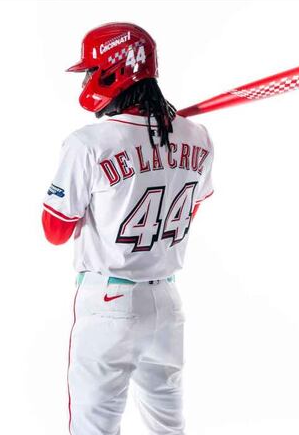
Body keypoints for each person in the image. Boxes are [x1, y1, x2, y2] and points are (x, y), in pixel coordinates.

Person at [42, 23, 214, 435]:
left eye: (89, 71)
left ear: (112, 73)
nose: (85, 80)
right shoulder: (199, 137)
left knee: (94, 427)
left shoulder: (88, 143)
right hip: (167, 302)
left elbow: (55, 230)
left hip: (109, 300)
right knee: (168, 426)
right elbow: (192, 210)